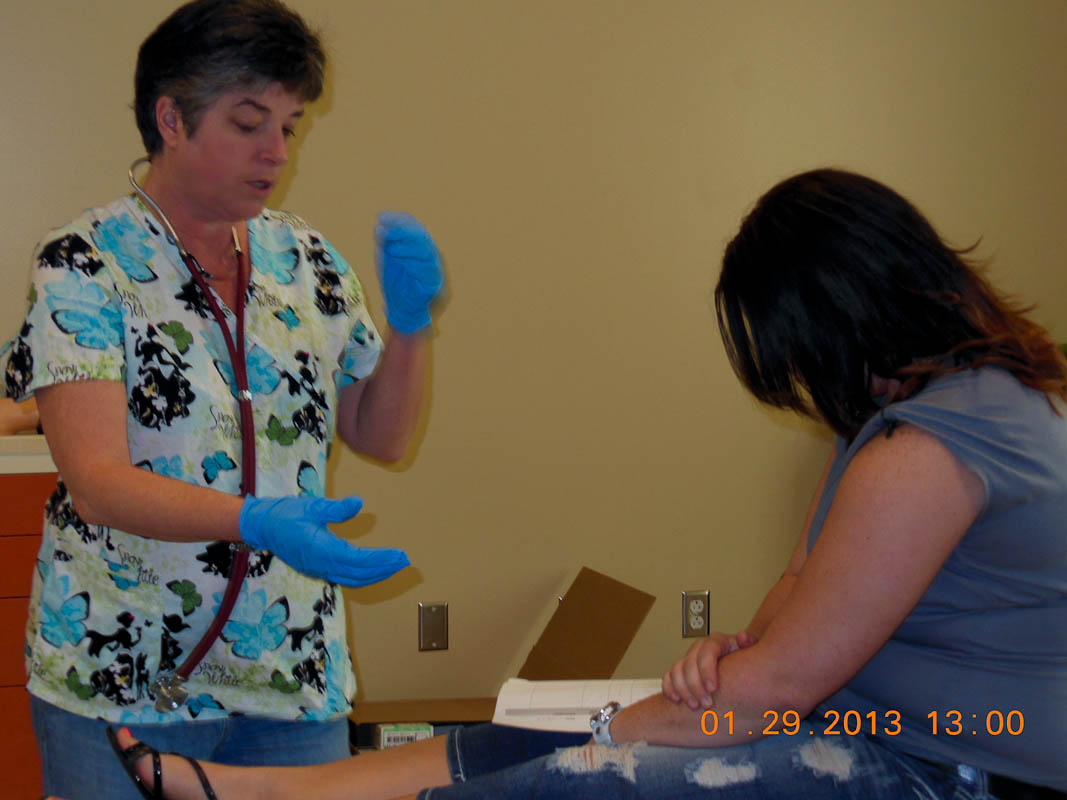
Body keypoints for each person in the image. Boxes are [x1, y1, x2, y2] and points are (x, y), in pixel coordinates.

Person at [88, 167, 1067, 800]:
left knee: (573, 773)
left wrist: (630, 718)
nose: (801, 381)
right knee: (530, 733)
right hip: (870, 721)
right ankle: (256, 791)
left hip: (956, 762)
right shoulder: (910, 415)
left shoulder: (923, 451)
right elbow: (800, 589)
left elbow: (774, 688)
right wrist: (736, 644)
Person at [2, 1, 444, 798]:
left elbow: (380, 434)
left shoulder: (306, 260)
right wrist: (255, 520)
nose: (277, 151)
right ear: (171, 118)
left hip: (286, 673)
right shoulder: (84, 265)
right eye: (248, 123)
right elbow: (96, 482)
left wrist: (410, 330)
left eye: (289, 126)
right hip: (121, 676)